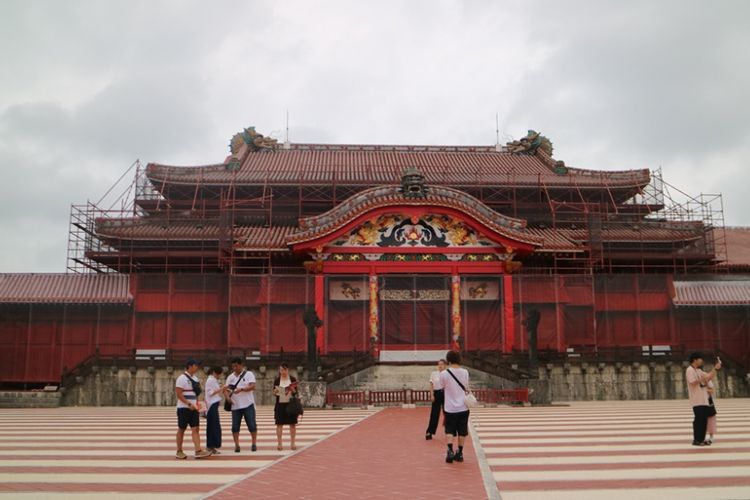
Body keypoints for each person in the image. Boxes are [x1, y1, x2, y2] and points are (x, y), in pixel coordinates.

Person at [175, 359, 211, 459]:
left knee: (196, 428)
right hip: (183, 408)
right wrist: (188, 403)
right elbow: (179, 394)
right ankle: (179, 451)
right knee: (181, 429)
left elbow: (197, 394)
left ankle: (198, 450)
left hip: (194, 408)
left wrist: (200, 405)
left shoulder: (195, 378)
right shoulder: (181, 378)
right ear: (190, 366)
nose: (197, 367)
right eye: (195, 365)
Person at [439, 350, 470, 463]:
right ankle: (460, 453)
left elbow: (441, 387)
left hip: (450, 407)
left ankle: (450, 451)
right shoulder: (465, 372)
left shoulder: (444, 374)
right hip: (463, 406)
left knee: (449, 430)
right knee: (462, 430)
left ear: (449, 360)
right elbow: (466, 386)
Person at [685, 352, 721, 446]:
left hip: (704, 400)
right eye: (700, 359)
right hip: (697, 400)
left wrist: (715, 369)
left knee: (703, 421)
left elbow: (709, 377)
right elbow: (692, 382)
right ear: (695, 360)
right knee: (698, 420)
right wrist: (703, 379)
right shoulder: (690, 370)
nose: (702, 361)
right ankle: (697, 440)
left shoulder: (699, 371)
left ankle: (701, 439)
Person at [225, 357, 258, 453]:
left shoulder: (249, 374)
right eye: (233, 366)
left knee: (252, 425)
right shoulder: (230, 377)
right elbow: (226, 390)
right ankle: (237, 445)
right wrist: (227, 397)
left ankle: (254, 443)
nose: (234, 368)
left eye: (236, 366)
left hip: (248, 404)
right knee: (235, 427)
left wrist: (242, 389)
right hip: (235, 406)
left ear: (241, 365)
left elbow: (253, 386)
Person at [273, 363, 299, 451]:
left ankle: (293, 443)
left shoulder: (292, 379)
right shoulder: (277, 380)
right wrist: (276, 391)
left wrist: (292, 390)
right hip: (280, 404)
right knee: (279, 424)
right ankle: (279, 443)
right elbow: (274, 393)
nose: (282, 372)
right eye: (281, 370)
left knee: (292, 424)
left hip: (290, 403)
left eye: (284, 370)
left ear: (288, 370)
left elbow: (296, 393)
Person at [425, 359, 446, 440]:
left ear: (445, 365)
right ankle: (430, 431)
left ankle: (450, 431)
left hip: (446, 394)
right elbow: (431, 384)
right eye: (439, 364)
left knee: (448, 413)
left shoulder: (447, 374)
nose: (440, 366)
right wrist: (432, 395)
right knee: (434, 414)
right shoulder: (434, 373)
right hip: (436, 394)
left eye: (442, 364)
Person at [205, 366, 224, 455]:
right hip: (212, 405)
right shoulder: (211, 380)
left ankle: (211, 446)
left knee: (214, 426)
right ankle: (210, 446)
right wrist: (221, 389)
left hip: (213, 404)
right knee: (213, 426)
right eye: (219, 374)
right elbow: (210, 393)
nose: (219, 376)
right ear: (215, 373)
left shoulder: (213, 380)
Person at [706, 379, 718, 444]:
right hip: (699, 402)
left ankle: (711, 436)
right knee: (700, 420)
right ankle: (701, 436)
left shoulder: (707, 380)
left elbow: (712, 390)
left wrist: (704, 390)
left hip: (708, 401)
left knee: (711, 418)